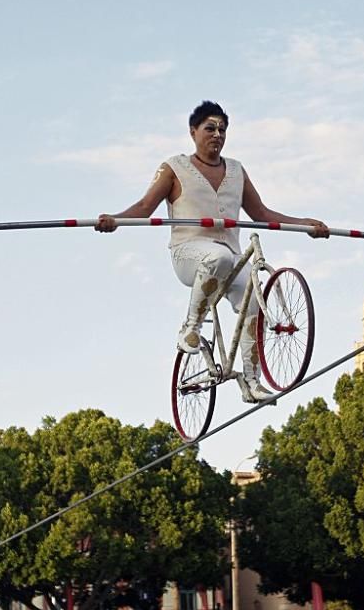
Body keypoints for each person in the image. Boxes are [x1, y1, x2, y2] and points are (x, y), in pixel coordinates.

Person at [96, 101, 329, 402]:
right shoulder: (174, 167)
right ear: (193, 132)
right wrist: (115, 220)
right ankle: (191, 327)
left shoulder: (236, 170)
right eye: (210, 128)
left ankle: (251, 379)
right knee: (215, 258)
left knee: (256, 296)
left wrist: (304, 224)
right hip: (189, 253)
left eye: (222, 129)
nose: (217, 134)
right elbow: (144, 207)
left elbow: (261, 212)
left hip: (230, 257)